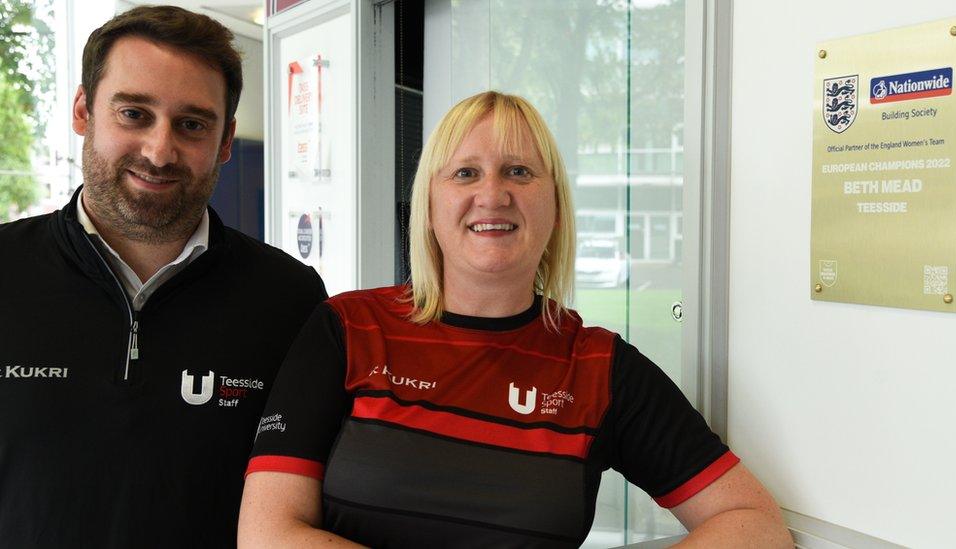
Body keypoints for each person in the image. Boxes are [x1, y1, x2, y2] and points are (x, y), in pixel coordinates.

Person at [238, 91, 791, 547]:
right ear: (429, 206)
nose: (493, 194)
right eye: (465, 173)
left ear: (554, 206)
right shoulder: (348, 328)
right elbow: (266, 533)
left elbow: (755, 521)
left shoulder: (599, 368)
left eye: (519, 171)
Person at [0, 6, 325, 547]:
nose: (159, 151)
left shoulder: (290, 300)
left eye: (192, 124)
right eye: (134, 114)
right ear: (84, 110)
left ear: (225, 141)